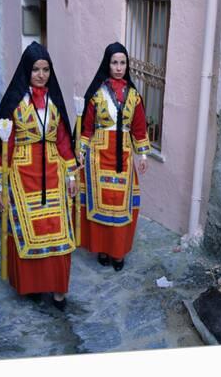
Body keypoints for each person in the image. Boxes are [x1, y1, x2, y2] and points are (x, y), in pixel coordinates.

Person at [0, 41, 78, 311]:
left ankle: (59, 289)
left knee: (59, 232)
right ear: (26, 70)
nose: (41, 74)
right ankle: (33, 286)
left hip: (53, 171)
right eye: (36, 69)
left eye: (46, 69)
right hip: (22, 173)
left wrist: (72, 175)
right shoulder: (15, 103)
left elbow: (63, 139)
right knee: (28, 232)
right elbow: (6, 144)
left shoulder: (54, 102)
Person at [78, 42, 150, 271]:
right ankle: (102, 249)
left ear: (127, 65)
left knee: (121, 207)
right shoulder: (97, 94)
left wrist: (143, 155)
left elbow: (139, 127)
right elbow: (87, 126)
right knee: (100, 205)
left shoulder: (134, 96)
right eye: (114, 62)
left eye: (122, 63)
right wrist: (81, 150)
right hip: (98, 157)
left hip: (124, 157)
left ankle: (118, 253)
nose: (118, 67)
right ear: (107, 64)